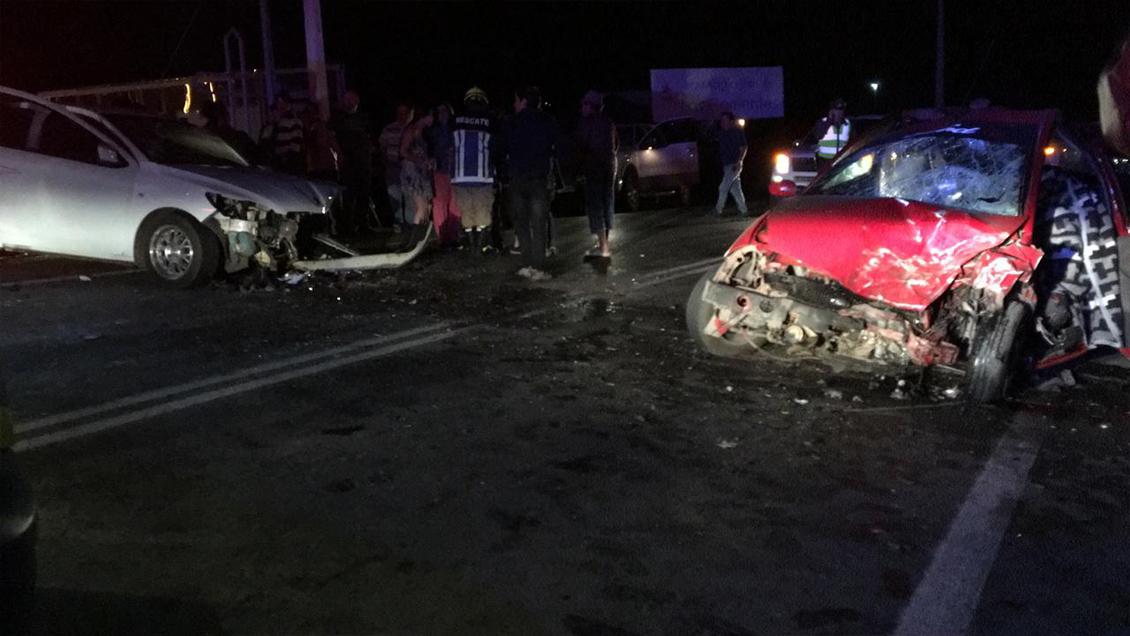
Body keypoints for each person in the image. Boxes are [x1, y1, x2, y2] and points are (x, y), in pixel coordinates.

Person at [495, 85, 561, 281]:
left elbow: (498, 149)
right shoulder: (548, 120)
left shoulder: (511, 122)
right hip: (539, 180)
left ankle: (527, 264)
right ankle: (538, 267)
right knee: (539, 225)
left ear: (524, 101)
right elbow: (560, 146)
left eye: (516, 100)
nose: (514, 104)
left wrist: (504, 169)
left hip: (517, 179)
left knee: (521, 223)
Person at [452, 87, 497, 255]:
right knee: (483, 209)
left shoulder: (455, 119)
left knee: (466, 210)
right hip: (483, 175)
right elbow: (496, 146)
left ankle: (471, 246)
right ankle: (483, 246)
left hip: (460, 175)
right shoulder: (490, 120)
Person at [575, 90, 618, 258]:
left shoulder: (585, 123)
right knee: (607, 202)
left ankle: (603, 247)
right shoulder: (608, 122)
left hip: (593, 168)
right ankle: (603, 242)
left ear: (589, 105)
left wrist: (578, 169)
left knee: (595, 206)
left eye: (583, 104)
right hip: (609, 166)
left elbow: (581, 147)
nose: (581, 108)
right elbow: (616, 145)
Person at [332, 90, 374, 235]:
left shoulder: (364, 117)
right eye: (346, 99)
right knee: (348, 194)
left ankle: (363, 224)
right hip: (347, 161)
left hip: (363, 161)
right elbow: (333, 139)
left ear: (357, 100)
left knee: (364, 194)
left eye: (351, 99)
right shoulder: (338, 118)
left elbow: (369, 137)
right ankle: (346, 227)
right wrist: (340, 155)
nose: (348, 101)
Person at [399, 108, 435, 251]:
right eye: (431, 117)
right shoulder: (411, 130)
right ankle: (413, 243)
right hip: (413, 171)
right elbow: (403, 151)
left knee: (427, 207)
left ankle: (420, 240)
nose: (433, 120)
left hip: (421, 171)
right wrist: (419, 161)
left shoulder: (422, 132)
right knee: (421, 206)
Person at [426, 103, 460, 250]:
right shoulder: (432, 131)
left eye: (445, 112)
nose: (442, 115)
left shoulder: (456, 129)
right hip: (439, 171)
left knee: (455, 204)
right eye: (439, 112)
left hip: (455, 171)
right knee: (440, 204)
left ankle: (453, 237)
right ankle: (443, 238)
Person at [379, 102, 414, 231]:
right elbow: (382, 148)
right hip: (393, 167)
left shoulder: (414, 129)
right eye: (399, 112)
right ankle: (399, 222)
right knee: (395, 196)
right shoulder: (389, 129)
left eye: (405, 112)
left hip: (409, 168)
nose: (401, 115)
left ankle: (411, 223)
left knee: (410, 196)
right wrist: (387, 163)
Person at [260, 93, 305, 174]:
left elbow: (296, 144)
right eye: (278, 103)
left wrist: (289, 158)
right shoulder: (274, 123)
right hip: (277, 160)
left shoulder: (294, 121)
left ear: (288, 105)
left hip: (288, 162)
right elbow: (265, 141)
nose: (280, 106)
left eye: (283, 103)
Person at [714, 111, 748, 216]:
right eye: (722, 120)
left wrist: (739, 161)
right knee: (735, 189)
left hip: (734, 164)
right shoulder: (721, 133)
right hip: (726, 164)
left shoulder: (737, 131)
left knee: (723, 187)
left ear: (731, 121)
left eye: (725, 120)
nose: (722, 122)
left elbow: (744, 147)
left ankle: (718, 210)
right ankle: (744, 210)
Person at [810, 98, 851, 164]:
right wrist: (829, 121)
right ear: (831, 110)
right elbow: (818, 135)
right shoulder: (822, 122)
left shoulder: (848, 124)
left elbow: (853, 141)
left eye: (841, 109)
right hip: (824, 163)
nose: (839, 112)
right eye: (836, 109)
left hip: (841, 162)